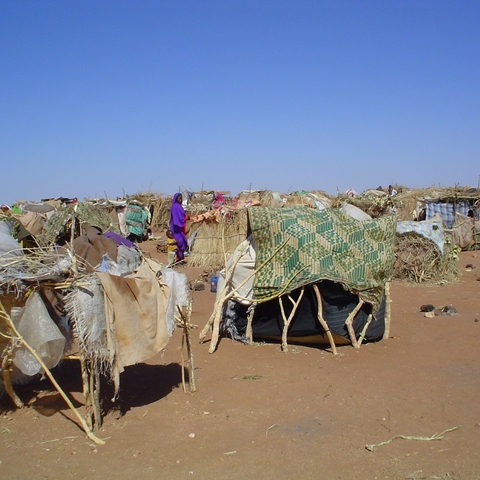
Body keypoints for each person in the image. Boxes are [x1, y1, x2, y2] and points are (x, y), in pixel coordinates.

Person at [169, 193, 188, 261]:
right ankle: (178, 258)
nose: (180, 200)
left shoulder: (177, 206)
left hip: (179, 227)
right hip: (176, 227)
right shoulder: (175, 207)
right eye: (179, 199)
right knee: (179, 242)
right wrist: (185, 219)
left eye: (181, 199)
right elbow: (178, 218)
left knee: (182, 241)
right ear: (176, 199)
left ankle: (180, 258)